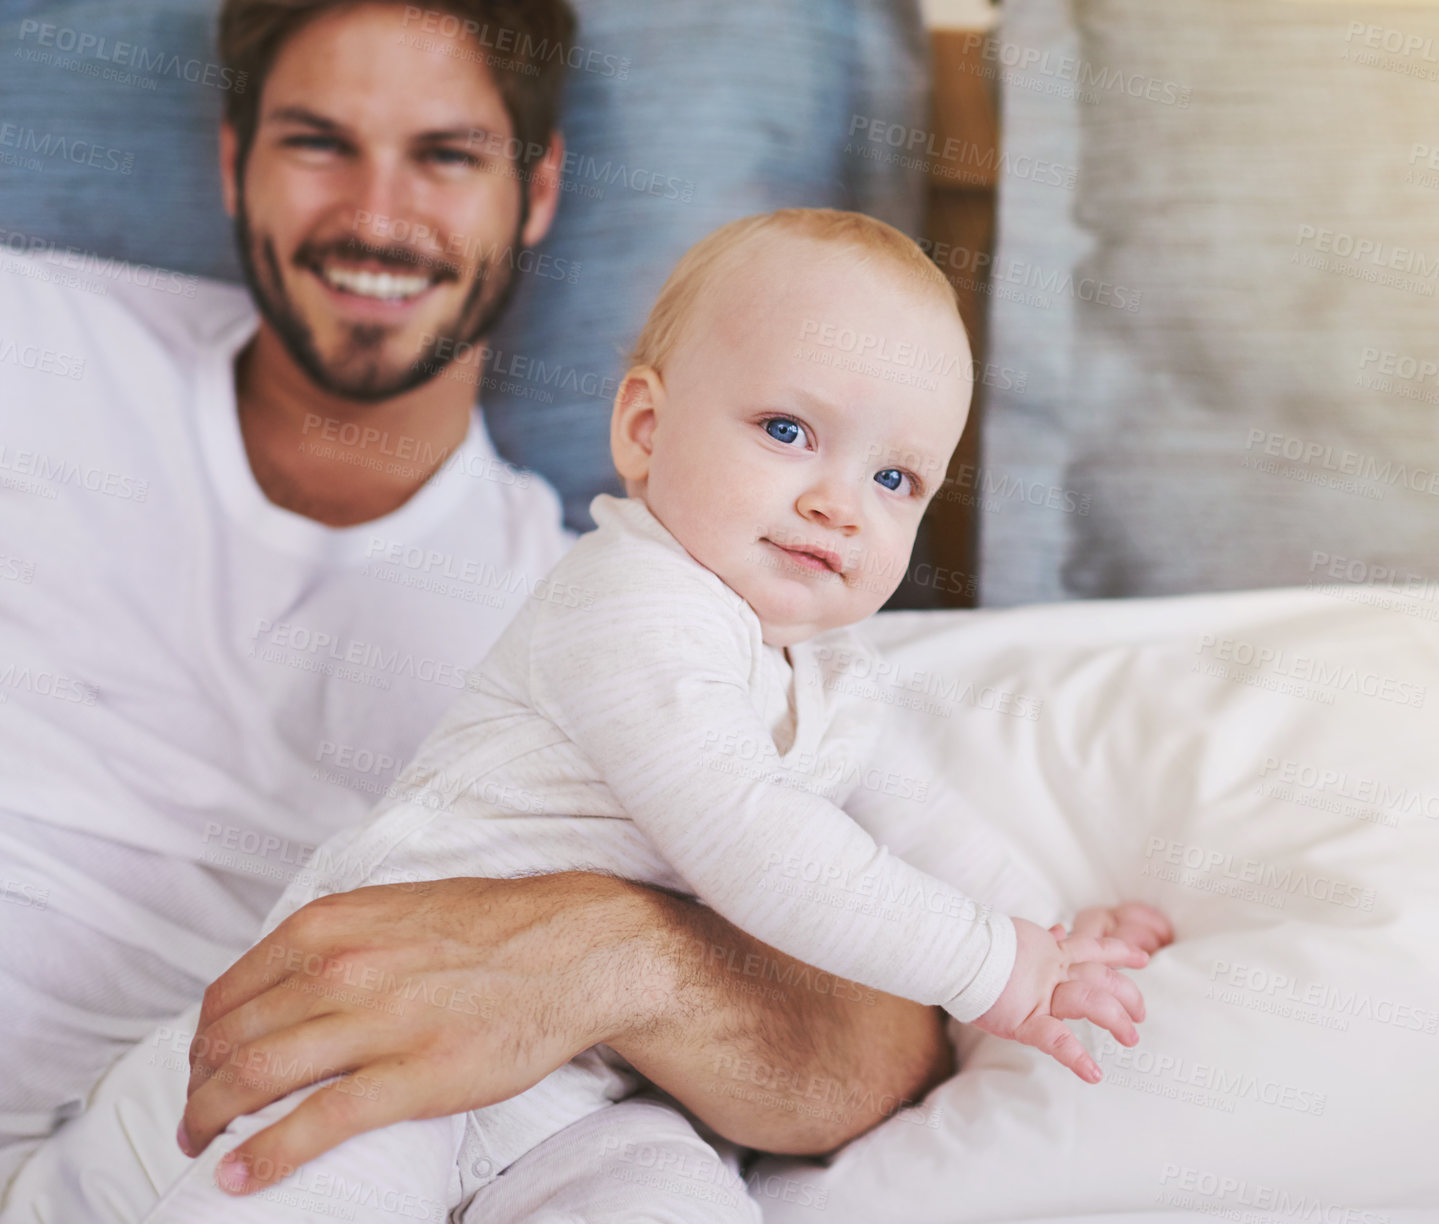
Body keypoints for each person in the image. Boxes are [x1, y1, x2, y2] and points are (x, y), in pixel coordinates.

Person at [0, 0, 1175, 1214]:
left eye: (447, 154)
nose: (380, 211)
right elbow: (752, 836)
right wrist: (998, 963)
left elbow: (908, 843)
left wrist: (1051, 931)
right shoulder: (625, 605)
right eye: (319, 141)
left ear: (539, 188)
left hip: (560, 1090)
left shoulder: (740, 640)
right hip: (289, 1077)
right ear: (645, 428)